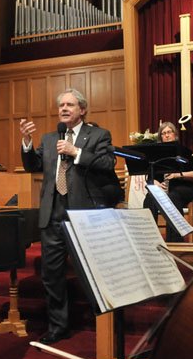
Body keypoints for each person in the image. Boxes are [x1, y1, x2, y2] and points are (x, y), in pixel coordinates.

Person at [20, 88, 119, 345]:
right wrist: (27, 142)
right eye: (61, 105)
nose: (64, 108)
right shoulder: (50, 137)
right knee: (52, 276)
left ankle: (104, 324)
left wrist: (76, 153)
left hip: (84, 216)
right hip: (53, 215)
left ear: (82, 110)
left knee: (92, 272)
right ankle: (58, 327)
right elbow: (33, 165)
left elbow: (109, 164)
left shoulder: (98, 135)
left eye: (70, 105)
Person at [142, 121, 193, 242]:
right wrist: (154, 182)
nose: (166, 135)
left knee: (173, 197)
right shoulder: (157, 155)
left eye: (169, 132)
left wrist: (178, 175)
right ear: (160, 137)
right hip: (162, 189)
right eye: (163, 133)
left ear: (175, 134)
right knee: (149, 197)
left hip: (183, 188)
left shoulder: (185, 152)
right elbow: (150, 176)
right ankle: (149, 238)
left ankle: (175, 241)